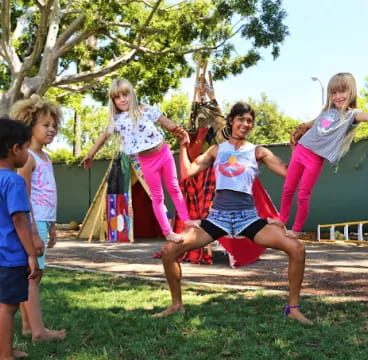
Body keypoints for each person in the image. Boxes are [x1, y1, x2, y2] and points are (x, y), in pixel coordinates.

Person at [158, 102, 312, 324]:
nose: (245, 124)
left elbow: (291, 176)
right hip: (217, 217)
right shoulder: (217, 150)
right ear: (231, 121)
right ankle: (176, 305)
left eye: (249, 121)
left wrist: (295, 150)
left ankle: (293, 308)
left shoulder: (258, 152)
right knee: (168, 251)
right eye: (241, 119)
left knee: (297, 249)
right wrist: (183, 145)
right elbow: (188, 172)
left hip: (247, 218)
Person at [281, 72, 368, 238]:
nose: (338, 96)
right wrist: (300, 128)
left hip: (315, 159)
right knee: (288, 188)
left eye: (342, 91)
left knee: (303, 194)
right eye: (334, 93)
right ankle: (280, 220)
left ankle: (296, 230)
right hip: (301, 150)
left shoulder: (352, 115)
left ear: (351, 92)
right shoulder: (326, 110)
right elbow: (314, 123)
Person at [81, 78, 199, 242]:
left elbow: (165, 122)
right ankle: (168, 233)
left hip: (164, 152)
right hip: (146, 161)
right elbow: (103, 137)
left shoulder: (145, 109)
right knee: (157, 197)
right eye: (117, 97)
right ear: (113, 101)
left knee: (174, 188)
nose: (122, 99)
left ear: (132, 94)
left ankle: (187, 220)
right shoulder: (117, 121)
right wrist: (90, 154)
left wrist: (180, 131)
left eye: (125, 94)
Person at [9, 96, 67, 342]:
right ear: (30, 125)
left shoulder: (46, 157)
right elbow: (25, 198)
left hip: (43, 221)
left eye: (54, 125)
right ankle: (40, 332)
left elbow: (48, 193)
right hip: (33, 222)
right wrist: (33, 232)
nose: (51, 129)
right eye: (45, 124)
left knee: (32, 275)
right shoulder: (28, 158)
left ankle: (26, 326)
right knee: (34, 275)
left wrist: (52, 226)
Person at [0, 118, 41, 360]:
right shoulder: (13, 181)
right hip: (10, 256)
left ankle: (4, 348)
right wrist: (31, 255)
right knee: (8, 307)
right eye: (26, 147)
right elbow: (19, 220)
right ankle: (6, 355)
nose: (28, 153)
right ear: (15, 149)